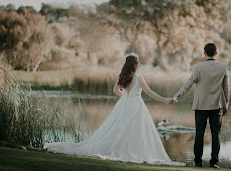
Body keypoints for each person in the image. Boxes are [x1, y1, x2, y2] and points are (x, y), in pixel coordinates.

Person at [43, 53, 184, 166]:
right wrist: (165, 100)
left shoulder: (122, 76)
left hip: (124, 104)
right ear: (135, 65)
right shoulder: (138, 78)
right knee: (135, 131)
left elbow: (115, 90)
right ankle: (133, 151)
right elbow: (150, 93)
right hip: (136, 106)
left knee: (117, 128)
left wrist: (126, 97)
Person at [170, 43, 230, 169]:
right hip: (216, 106)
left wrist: (176, 97)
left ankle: (198, 162)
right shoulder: (223, 67)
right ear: (216, 53)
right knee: (216, 135)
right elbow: (226, 88)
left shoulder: (198, 67)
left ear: (204, 53)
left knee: (199, 134)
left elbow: (188, 83)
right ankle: (214, 163)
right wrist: (226, 105)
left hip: (200, 106)